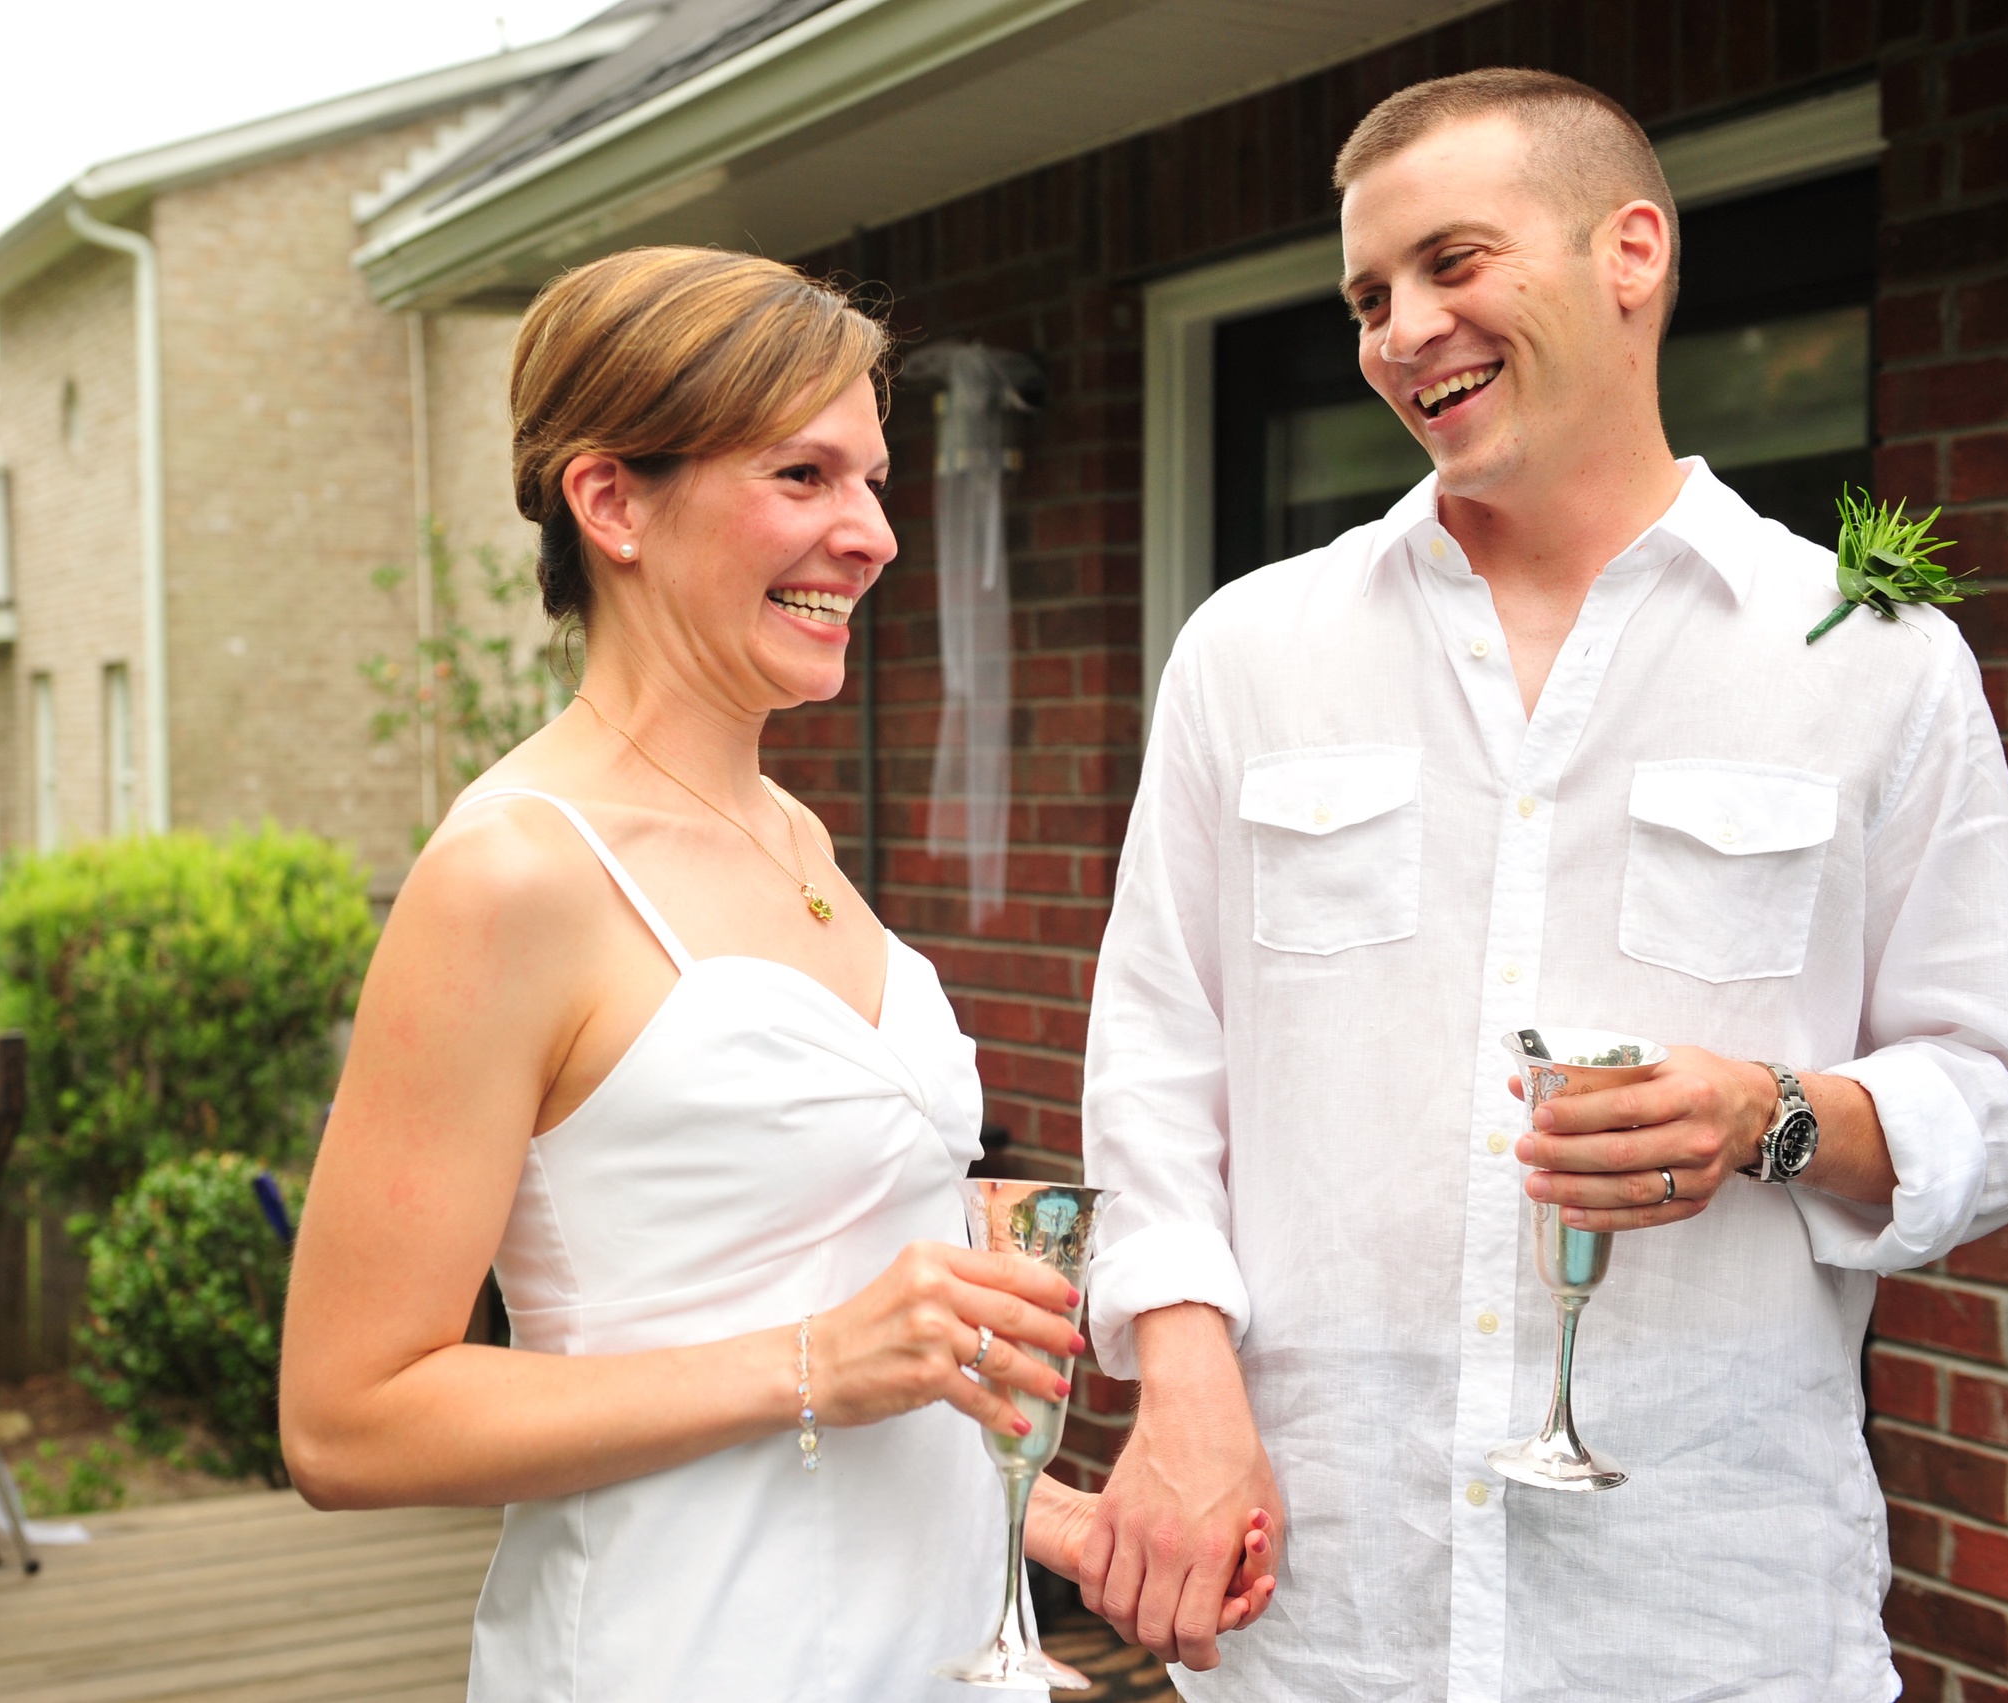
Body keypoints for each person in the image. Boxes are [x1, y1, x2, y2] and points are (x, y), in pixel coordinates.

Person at [1077, 69, 2008, 1701]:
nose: (1403, 331)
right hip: (1324, 1614)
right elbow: (1152, 1067)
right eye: (1368, 296)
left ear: (1631, 254)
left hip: (1704, 1615)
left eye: (1453, 262)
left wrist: (1770, 1114)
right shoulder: (1250, 651)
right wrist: (1181, 1386)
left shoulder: (1871, 657)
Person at [279, 246, 1270, 1702]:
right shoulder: (516, 872)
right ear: (613, 502)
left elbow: (852, 1333)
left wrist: (1059, 1520)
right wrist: (816, 1361)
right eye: (804, 477)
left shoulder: (793, 830)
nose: (872, 535)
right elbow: (346, 1422)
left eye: (873, 481)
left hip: (926, 1655)